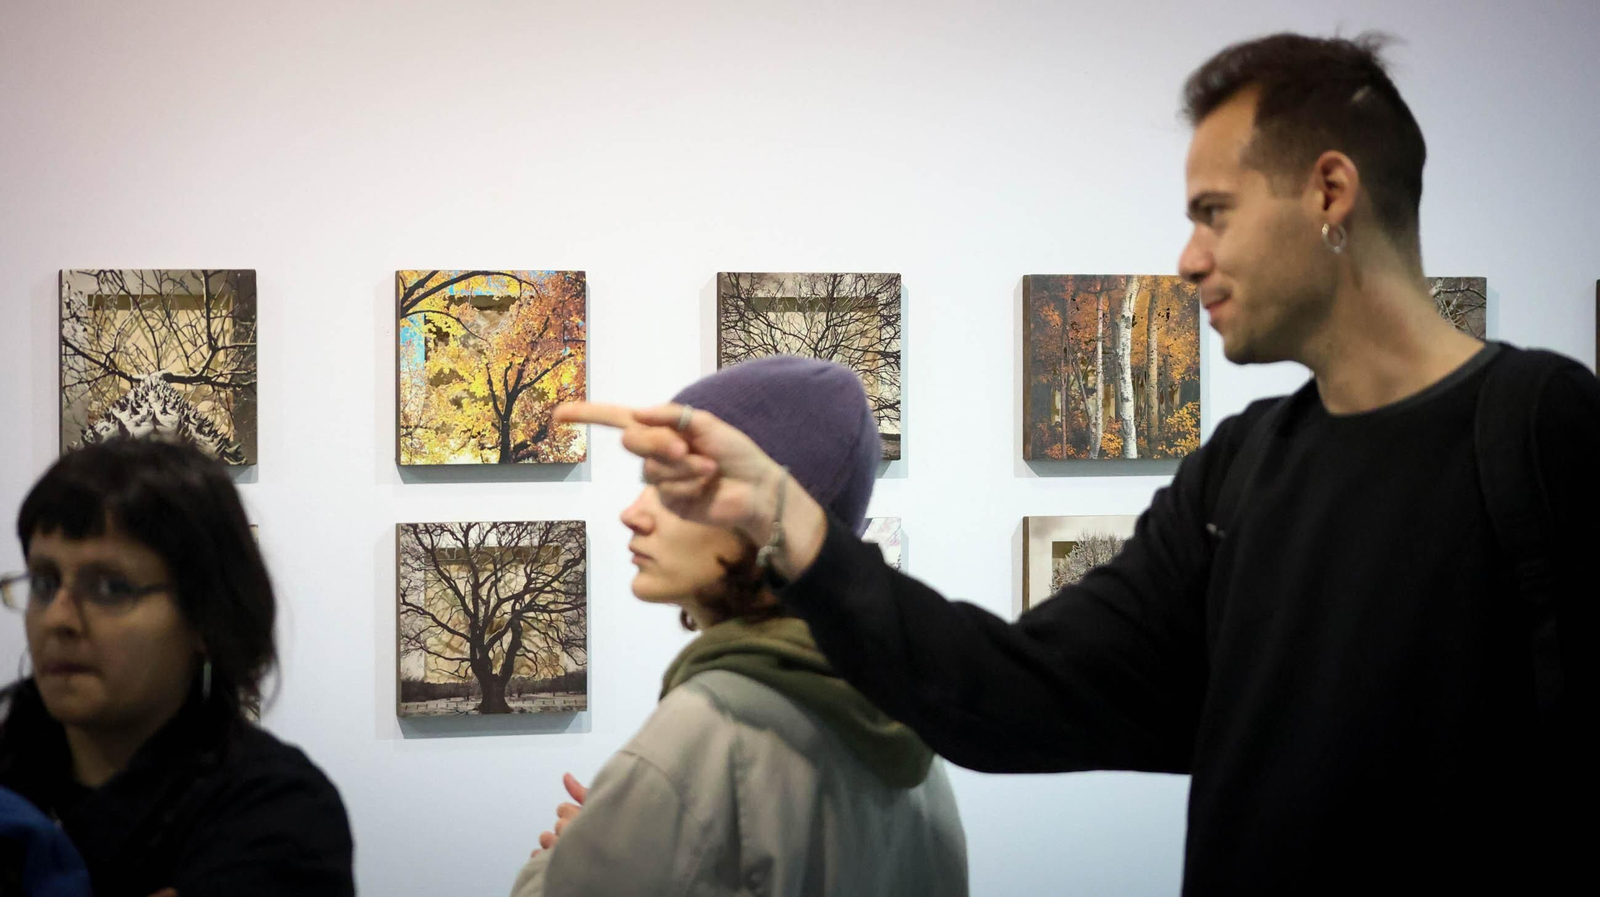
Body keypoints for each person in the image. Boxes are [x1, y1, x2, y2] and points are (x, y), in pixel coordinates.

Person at [559, 32, 1600, 895]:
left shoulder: (1538, 431)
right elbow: (1008, 695)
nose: (1188, 258)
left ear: (1330, 190)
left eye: (1212, 212)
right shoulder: (1239, 475)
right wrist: (785, 516)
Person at [512, 356, 967, 897]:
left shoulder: (706, 729)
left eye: (678, 491)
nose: (634, 514)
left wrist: (567, 859)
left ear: (760, 517)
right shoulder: (900, 711)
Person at [0, 438, 355, 897]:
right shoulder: (13, 768)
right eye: (46, 583)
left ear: (206, 618)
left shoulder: (278, 811)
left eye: (110, 587)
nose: (57, 618)